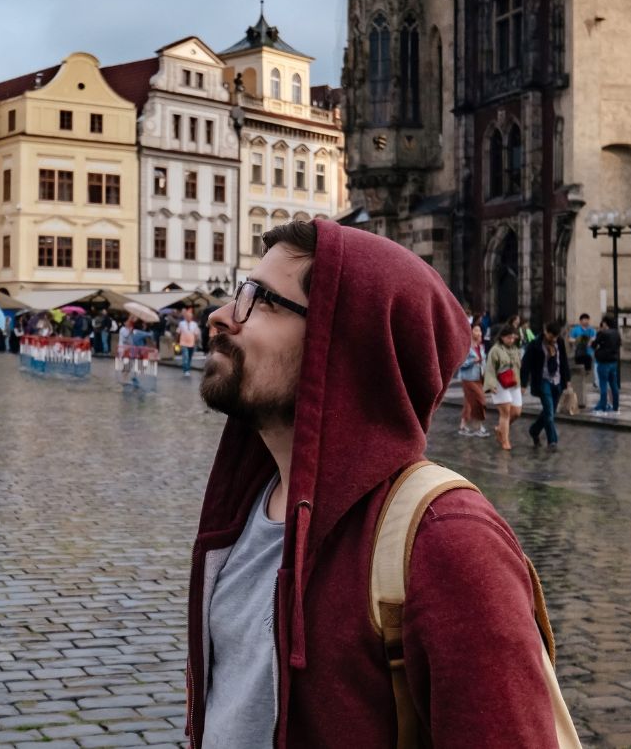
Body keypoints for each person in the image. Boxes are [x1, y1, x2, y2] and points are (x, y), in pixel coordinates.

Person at [191, 220, 570, 746]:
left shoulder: (449, 542)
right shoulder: (251, 504)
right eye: (240, 292)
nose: (221, 316)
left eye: (263, 301)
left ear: (341, 346)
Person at [521, 321, 570, 448]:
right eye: (551, 336)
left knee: (550, 412)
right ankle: (552, 441)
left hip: (558, 380)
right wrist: (523, 384)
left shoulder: (559, 342)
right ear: (545, 331)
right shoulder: (535, 345)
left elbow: (564, 361)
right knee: (549, 412)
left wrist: (568, 380)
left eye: (556, 337)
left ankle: (534, 430)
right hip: (543, 381)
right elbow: (525, 365)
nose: (553, 339)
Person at [484, 324, 525, 451]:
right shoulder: (495, 350)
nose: (511, 340)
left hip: (514, 382)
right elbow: (490, 369)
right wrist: (491, 385)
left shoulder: (516, 349)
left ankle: (500, 429)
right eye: (508, 338)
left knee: (517, 412)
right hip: (499, 384)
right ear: (501, 337)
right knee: (505, 412)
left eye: (513, 338)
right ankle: (505, 441)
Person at [456, 324, 488, 437]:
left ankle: (463, 426)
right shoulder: (466, 346)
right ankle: (478, 426)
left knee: (469, 403)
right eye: (476, 330)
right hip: (468, 378)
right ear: (471, 332)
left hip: (479, 377)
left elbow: (483, 361)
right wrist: (473, 361)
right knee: (481, 400)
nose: (479, 333)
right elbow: (460, 363)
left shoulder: (481, 347)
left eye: (480, 330)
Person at [591, 314, 621, 413]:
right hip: (613, 361)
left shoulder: (602, 333)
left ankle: (602, 405)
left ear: (605, 323)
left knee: (603, 384)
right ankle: (615, 406)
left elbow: (594, 345)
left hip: (603, 362)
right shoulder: (616, 333)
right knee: (614, 385)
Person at [569, 313, 596, 387]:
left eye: (587, 320)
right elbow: (570, 339)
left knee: (588, 369)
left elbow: (595, 338)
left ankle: (584, 380)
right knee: (579, 368)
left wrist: (590, 341)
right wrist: (578, 340)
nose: (586, 321)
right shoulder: (575, 330)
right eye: (584, 320)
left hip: (589, 352)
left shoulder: (592, 330)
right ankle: (580, 383)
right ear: (580, 321)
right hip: (579, 352)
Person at [178, 313, 202, 377]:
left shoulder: (194, 324)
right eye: (187, 316)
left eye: (190, 316)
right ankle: (186, 370)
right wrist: (177, 341)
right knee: (185, 356)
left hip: (192, 343)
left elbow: (196, 334)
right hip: (183, 343)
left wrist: (196, 341)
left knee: (190, 357)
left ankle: (187, 368)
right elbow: (178, 332)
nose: (189, 317)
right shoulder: (181, 323)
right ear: (185, 317)